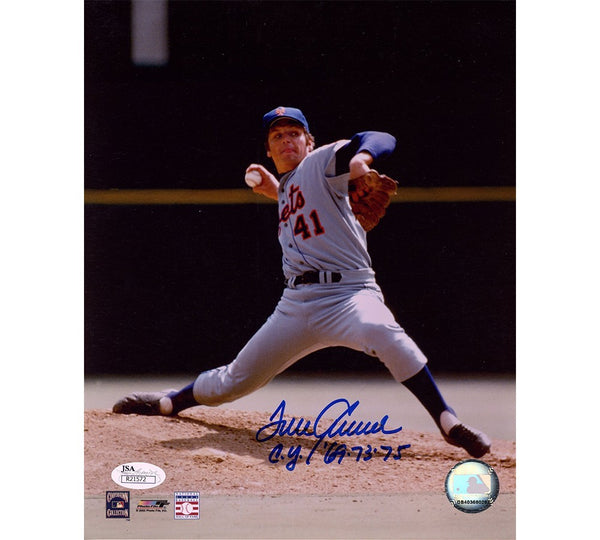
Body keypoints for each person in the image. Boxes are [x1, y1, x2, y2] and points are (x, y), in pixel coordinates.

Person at [113, 106, 491, 458]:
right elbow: (300, 199)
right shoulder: (289, 188)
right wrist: (275, 191)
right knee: (236, 379)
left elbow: (380, 136)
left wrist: (361, 159)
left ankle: (448, 421)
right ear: (269, 150)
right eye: (277, 136)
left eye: (294, 133)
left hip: (348, 295)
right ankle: (170, 403)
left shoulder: (321, 161)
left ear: (309, 142)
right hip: (295, 304)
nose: (287, 140)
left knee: (383, 332)